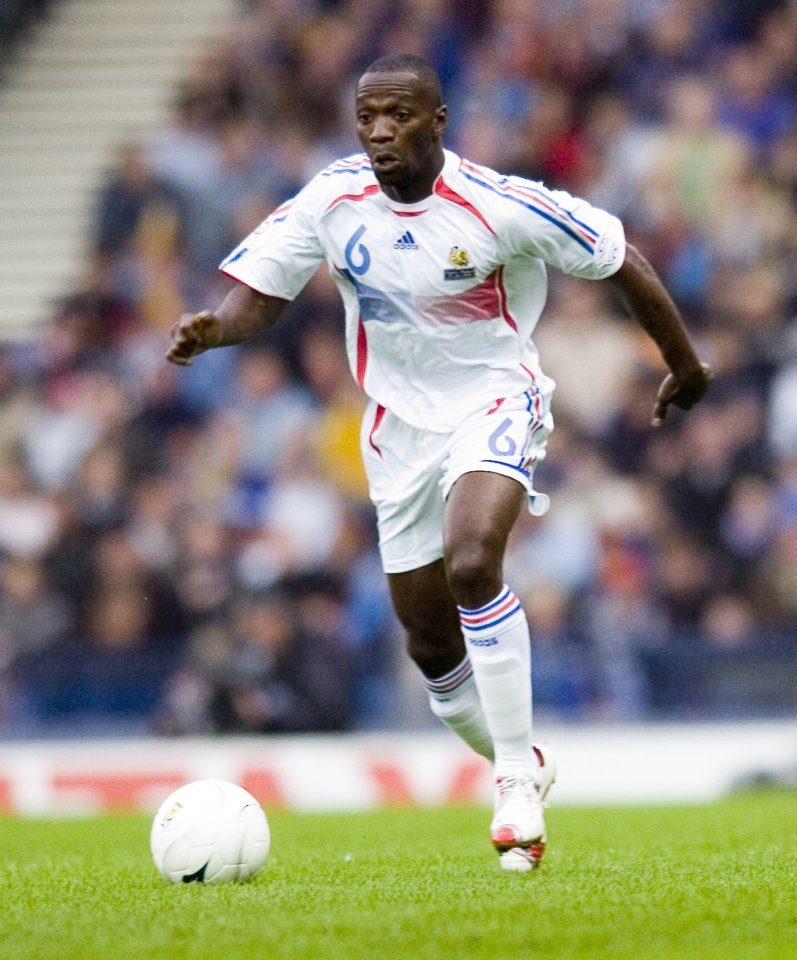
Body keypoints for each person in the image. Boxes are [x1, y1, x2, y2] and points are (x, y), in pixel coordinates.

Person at [167, 53, 713, 871]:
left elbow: (619, 257)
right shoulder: (333, 198)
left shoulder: (499, 206)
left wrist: (684, 363)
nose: (380, 131)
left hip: (495, 400)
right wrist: (214, 327)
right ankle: (518, 760)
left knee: (470, 564)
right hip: (396, 432)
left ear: (437, 121)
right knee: (428, 642)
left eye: (398, 115)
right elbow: (262, 294)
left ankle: (514, 784)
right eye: (367, 118)